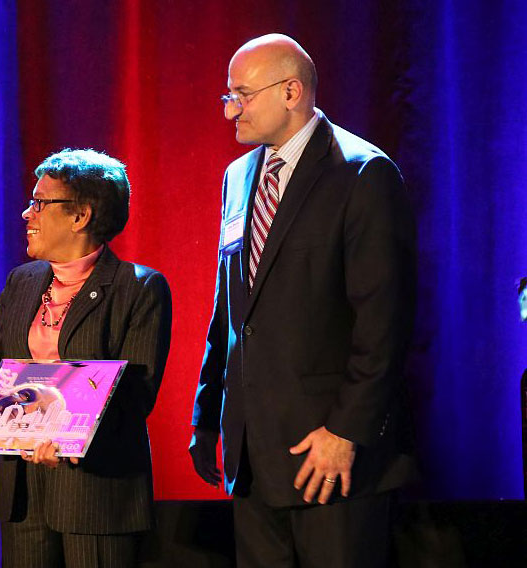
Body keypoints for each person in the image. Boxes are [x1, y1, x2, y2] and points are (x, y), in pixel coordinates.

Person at [188, 34, 416, 567]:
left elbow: (384, 321)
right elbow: (231, 309)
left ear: (291, 91)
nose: (230, 111)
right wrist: (207, 416)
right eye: (228, 96)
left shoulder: (362, 172)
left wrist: (346, 431)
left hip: (331, 456)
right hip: (253, 453)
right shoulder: (239, 177)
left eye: (241, 95)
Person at [0, 149, 172, 567]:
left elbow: (135, 396)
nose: (27, 213)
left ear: (81, 216)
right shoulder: (24, 280)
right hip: (24, 492)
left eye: (40, 203)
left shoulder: (139, 288)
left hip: (96, 496)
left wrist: (64, 437)